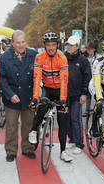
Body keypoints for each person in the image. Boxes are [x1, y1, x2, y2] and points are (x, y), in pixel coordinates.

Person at [29, 32, 72, 162]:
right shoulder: (39, 57)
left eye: (53, 45)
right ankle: (33, 131)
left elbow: (64, 80)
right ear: (45, 46)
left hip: (61, 90)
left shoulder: (62, 58)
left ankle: (63, 151)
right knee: (41, 108)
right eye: (48, 45)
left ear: (58, 45)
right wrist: (35, 98)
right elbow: (37, 79)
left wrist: (63, 100)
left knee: (63, 122)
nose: (51, 48)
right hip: (47, 89)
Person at [0, 30, 38, 162]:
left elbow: (38, 75)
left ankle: (27, 148)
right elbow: (1, 79)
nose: (21, 45)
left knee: (28, 125)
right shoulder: (4, 57)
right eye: (18, 42)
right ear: (12, 43)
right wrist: (10, 94)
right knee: (11, 126)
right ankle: (11, 151)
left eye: (23, 42)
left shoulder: (34, 55)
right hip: (12, 98)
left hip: (29, 96)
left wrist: (36, 95)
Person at [64, 35, 92, 154]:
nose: (69, 47)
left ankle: (79, 143)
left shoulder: (83, 60)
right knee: (67, 119)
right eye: (68, 45)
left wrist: (84, 93)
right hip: (65, 95)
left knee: (75, 118)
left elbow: (87, 77)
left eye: (71, 45)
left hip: (77, 94)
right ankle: (71, 140)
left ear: (77, 47)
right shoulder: (63, 57)